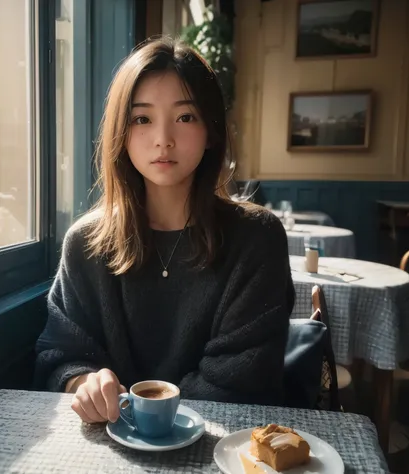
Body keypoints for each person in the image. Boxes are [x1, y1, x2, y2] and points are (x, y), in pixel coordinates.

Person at [34, 37, 295, 424]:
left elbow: (242, 379)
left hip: (224, 445)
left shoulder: (257, 238)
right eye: (142, 119)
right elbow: (61, 353)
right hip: (110, 448)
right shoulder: (85, 243)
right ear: (120, 134)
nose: (163, 139)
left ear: (211, 130)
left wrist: (139, 416)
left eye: (185, 117)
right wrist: (85, 383)